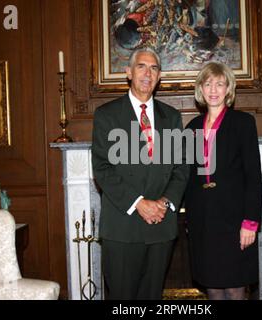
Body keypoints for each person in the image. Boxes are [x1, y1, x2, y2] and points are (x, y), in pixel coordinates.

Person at [92, 48, 189, 300]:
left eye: (154, 68)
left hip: (161, 225)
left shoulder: (172, 117)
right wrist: (139, 203)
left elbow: (181, 168)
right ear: (128, 72)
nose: (148, 73)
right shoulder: (107, 115)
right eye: (141, 66)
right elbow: (102, 168)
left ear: (159, 77)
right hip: (122, 228)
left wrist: (165, 203)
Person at [184, 62, 262, 300]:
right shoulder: (193, 127)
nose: (213, 89)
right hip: (203, 219)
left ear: (228, 88)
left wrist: (250, 222)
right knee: (213, 285)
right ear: (200, 89)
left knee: (234, 285)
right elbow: (187, 175)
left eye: (219, 83)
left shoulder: (243, 123)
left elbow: (253, 176)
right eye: (208, 84)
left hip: (235, 218)